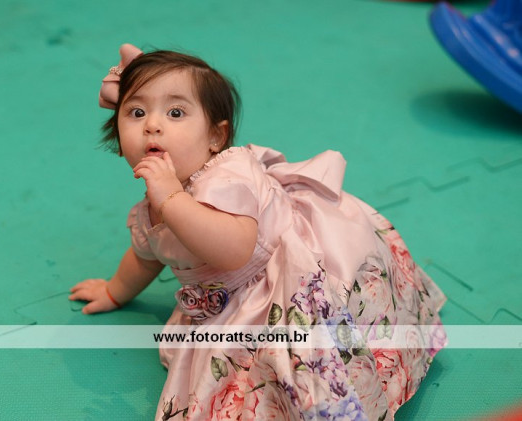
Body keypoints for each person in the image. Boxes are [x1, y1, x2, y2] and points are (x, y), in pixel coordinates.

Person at [69, 43, 447, 420]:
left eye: (176, 112)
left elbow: (234, 250)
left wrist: (171, 199)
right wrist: (115, 291)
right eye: (136, 112)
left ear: (216, 137)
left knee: (294, 363)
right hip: (225, 295)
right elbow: (146, 257)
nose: (152, 124)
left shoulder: (229, 175)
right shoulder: (149, 211)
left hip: (278, 278)